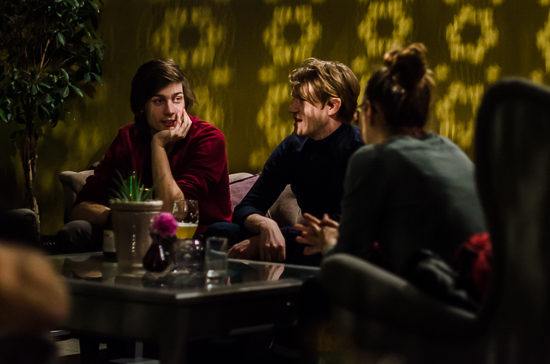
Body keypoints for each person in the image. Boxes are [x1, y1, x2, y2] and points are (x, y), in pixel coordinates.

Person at [295, 43, 487, 277]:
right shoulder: (449, 149)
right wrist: (342, 238)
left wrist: (330, 246)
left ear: (371, 112)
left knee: (313, 292)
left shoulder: (372, 158)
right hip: (489, 293)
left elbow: (347, 269)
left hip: (448, 301)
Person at [58, 59, 232, 252]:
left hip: (194, 239)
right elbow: (80, 208)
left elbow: (174, 213)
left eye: (177, 99)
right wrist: (116, 217)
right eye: (159, 100)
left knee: (170, 240)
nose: (170, 111)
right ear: (141, 106)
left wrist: (157, 144)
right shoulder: (129, 138)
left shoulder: (208, 139)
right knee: (76, 230)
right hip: (135, 233)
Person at [229, 58, 363, 266]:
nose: (292, 108)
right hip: (302, 238)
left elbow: (341, 225)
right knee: (220, 232)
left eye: (302, 100)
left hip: (341, 245)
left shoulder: (361, 150)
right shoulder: (294, 146)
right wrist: (266, 225)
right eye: (294, 99)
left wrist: (260, 241)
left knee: (313, 250)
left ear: (332, 106)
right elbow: (248, 206)